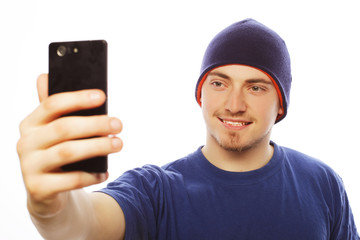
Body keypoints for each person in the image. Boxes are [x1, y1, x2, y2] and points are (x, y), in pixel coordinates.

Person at [17, 19, 359, 240]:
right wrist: (52, 207)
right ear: (200, 93)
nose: (234, 104)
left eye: (256, 87)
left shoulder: (323, 183)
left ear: (281, 104)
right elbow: (85, 225)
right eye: (219, 83)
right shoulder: (156, 191)